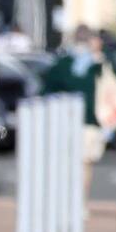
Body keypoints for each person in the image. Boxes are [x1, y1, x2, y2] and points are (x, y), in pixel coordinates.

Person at [42, 26, 106, 177]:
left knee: (65, 165)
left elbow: (47, 91)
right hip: (90, 121)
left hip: (65, 122)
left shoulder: (62, 64)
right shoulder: (98, 65)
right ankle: (81, 199)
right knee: (85, 166)